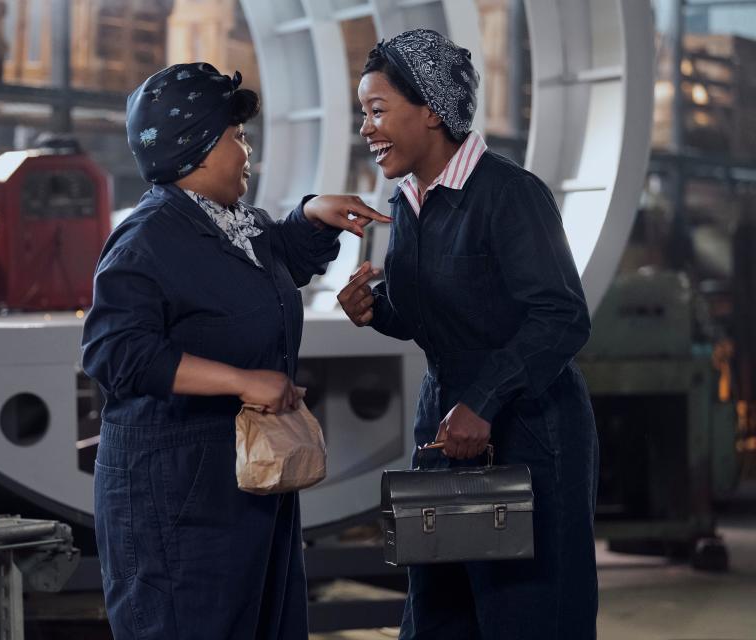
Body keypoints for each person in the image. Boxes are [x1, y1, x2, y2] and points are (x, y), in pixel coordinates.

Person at [81, 62, 390, 640]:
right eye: (237, 138)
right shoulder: (147, 238)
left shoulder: (234, 223)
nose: (248, 152)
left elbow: (269, 268)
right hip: (174, 490)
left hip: (244, 481)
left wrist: (311, 214)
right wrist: (243, 382)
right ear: (195, 148)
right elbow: (115, 352)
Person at [336, 30, 599, 639]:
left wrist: (483, 401)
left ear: (430, 110)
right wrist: (375, 310)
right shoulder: (407, 202)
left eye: (377, 111)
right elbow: (438, 315)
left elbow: (562, 316)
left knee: (529, 613)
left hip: (531, 430)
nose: (366, 129)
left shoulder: (510, 195)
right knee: (439, 612)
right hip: (445, 425)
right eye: (362, 114)